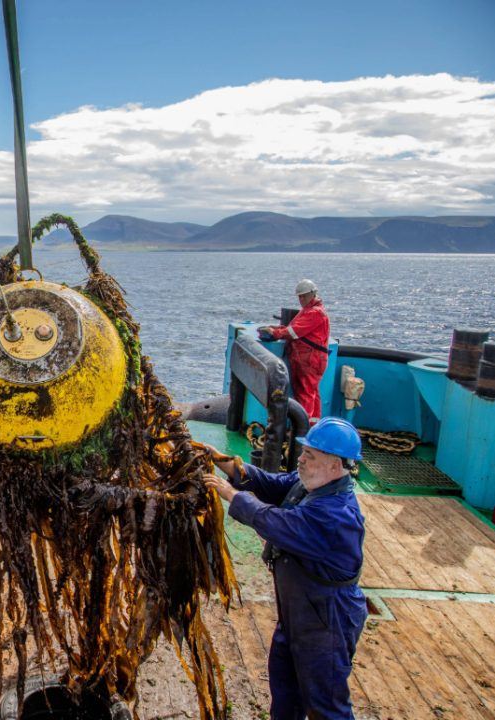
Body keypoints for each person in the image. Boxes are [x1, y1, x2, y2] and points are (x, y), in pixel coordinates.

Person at [203, 417, 367, 720]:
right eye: (303, 452)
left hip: (327, 620)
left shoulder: (335, 515)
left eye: (310, 456)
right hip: (298, 614)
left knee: (326, 706)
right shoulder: (311, 483)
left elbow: (276, 523)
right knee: (285, 694)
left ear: (336, 466)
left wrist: (231, 495)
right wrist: (223, 461)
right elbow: (271, 484)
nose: (301, 460)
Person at [259, 279, 331, 420]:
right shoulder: (309, 311)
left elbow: (293, 332)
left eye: (304, 296)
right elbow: (293, 327)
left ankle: (302, 430)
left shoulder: (314, 313)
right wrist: (276, 329)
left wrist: (274, 332)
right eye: (300, 296)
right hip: (310, 358)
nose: (301, 299)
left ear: (313, 294)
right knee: (312, 392)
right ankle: (312, 425)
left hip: (311, 359)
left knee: (305, 393)